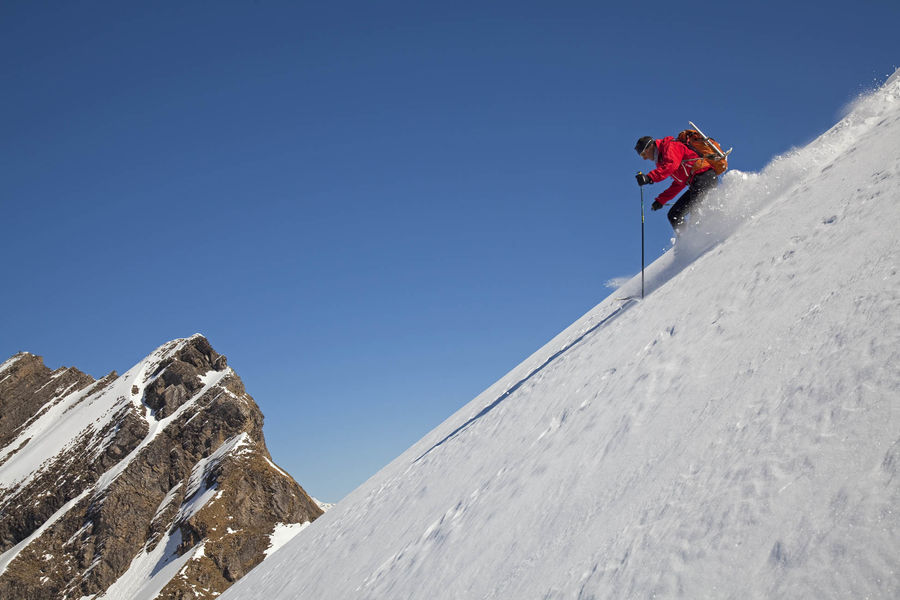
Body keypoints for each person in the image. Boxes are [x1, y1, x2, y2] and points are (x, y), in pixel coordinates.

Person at [634, 135, 718, 232]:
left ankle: (706, 237)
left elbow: (671, 166)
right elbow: (679, 183)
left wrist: (649, 177)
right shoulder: (662, 159)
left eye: (643, 154)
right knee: (674, 214)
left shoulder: (670, 146)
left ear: (650, 146)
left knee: (697, 212)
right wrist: (661, 200)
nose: (645, 158)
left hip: (704, 176)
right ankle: (686, 241)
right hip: (695, 182)